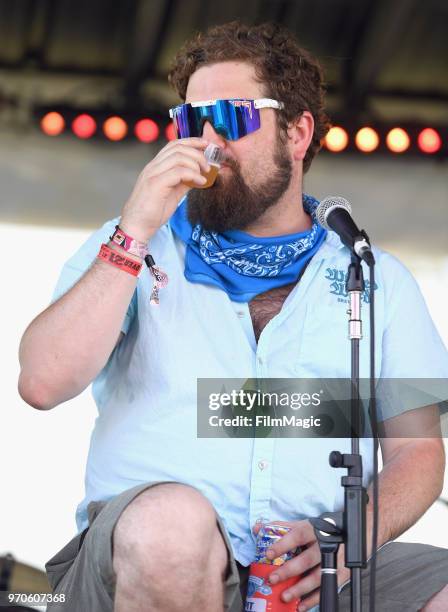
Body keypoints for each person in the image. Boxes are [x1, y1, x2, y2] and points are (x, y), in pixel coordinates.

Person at [18, 21, 448, 612]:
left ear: (297, 134)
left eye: (235, 116)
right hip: (143, 560)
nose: (208, 141)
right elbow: (41, 383)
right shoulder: (133, 248)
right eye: (192, 121)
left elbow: (418, 451)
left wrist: (356, 539)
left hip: (313, 568)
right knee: (172, 525)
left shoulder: (373, 276)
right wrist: (136, 228)